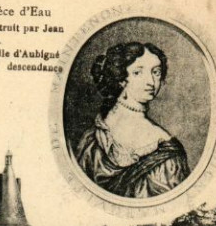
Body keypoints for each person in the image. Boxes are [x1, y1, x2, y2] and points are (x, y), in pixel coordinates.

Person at [74, 42, 190, 198]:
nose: (150, 81)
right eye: (138, 73)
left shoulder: (165, 146)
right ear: (121, 78)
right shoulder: (92, 138)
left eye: (156, 72)